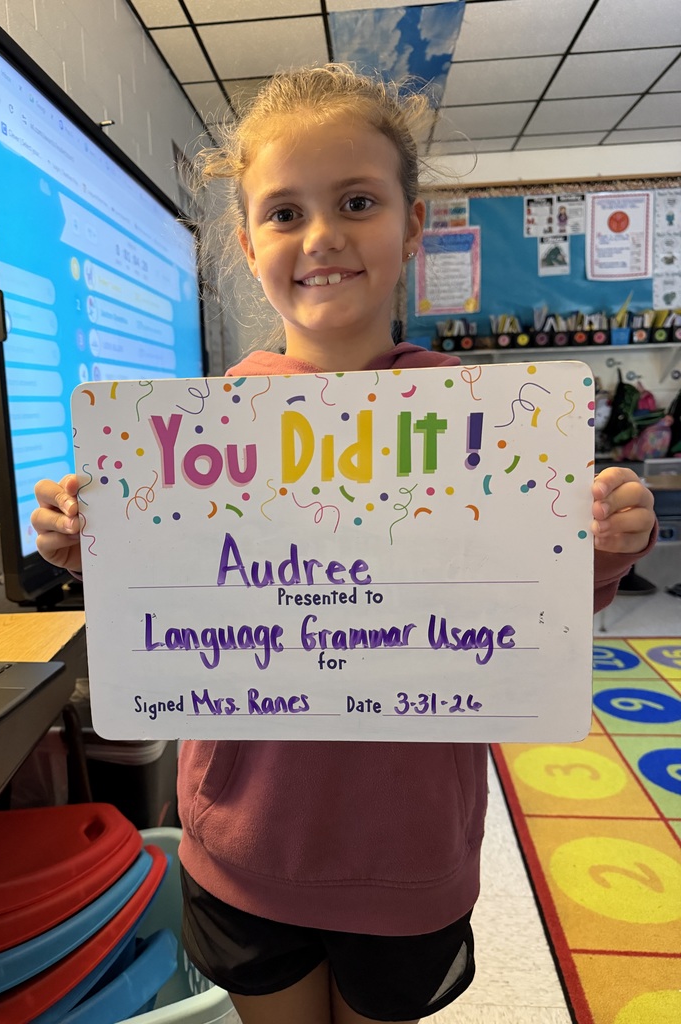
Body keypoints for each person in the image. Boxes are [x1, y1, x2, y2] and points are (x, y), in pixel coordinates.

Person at [32, 65, 657, 1024]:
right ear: (247, 245)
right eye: (285, 212)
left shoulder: (479, 421)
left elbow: (538, 611)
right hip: (245, 849)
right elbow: (162, 609)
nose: (321, 236)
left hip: (408, 857)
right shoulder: (195, 430)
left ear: (411, 226)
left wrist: (605, 543)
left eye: (357, 201)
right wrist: (93, 549)